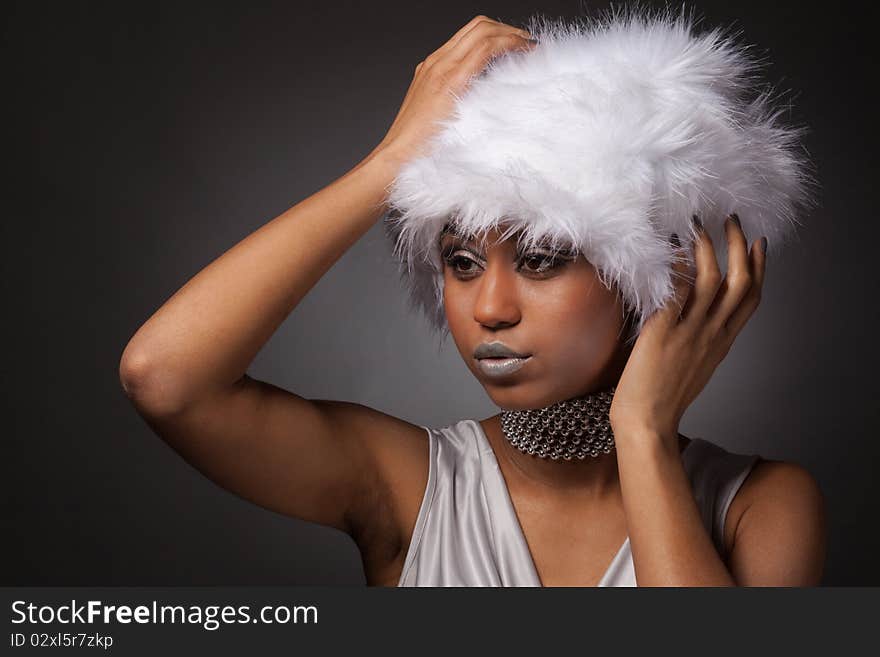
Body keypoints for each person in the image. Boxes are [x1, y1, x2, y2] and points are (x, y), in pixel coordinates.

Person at [119, 11, 826, 586]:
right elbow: (165, 377)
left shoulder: (762, 507)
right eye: (459, 261)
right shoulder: (405, 484)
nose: (489, 308)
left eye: (541, 258)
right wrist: (391, 164)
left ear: (659, 275)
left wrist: (640, 429)